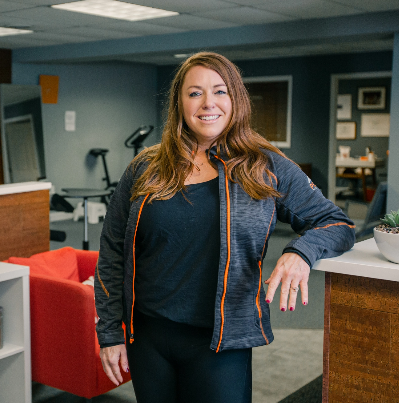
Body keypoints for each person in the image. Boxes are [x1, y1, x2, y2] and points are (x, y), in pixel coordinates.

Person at [94, 52, 355, 403]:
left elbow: (338, 223)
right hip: (148, 336)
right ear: (180, 102)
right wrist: (110, 332)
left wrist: (300, 253)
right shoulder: (146, 166)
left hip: (221, 341)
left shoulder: (264, 165)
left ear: (236, 100)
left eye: (219, 91)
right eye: (194, 93)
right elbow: (111, 250)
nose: (207, 103)